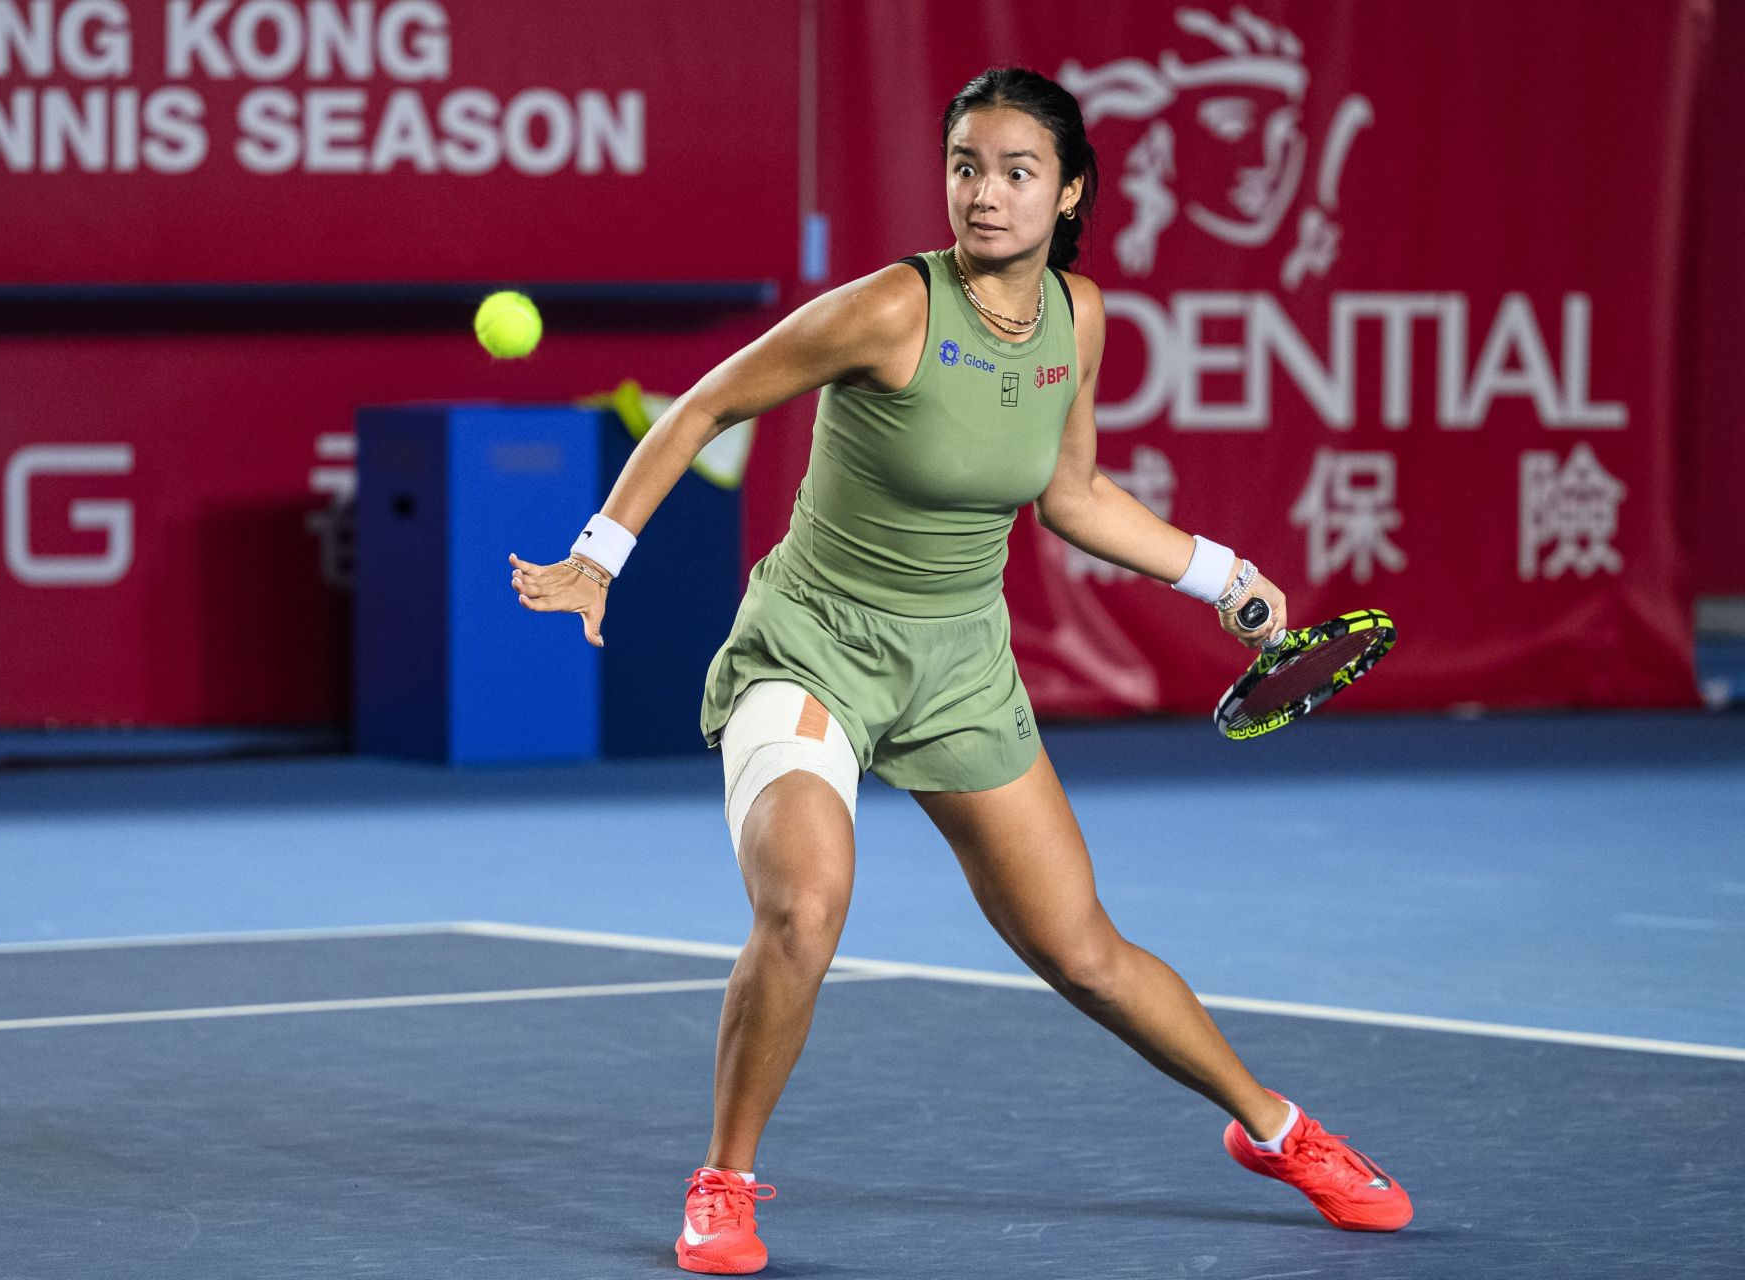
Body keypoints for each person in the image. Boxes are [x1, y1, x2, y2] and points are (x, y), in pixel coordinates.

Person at [509, 66, 1411, 1277]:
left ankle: (1281, 1132)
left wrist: (1220, 575)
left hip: (961, 665)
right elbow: (706, 404)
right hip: (814, 644)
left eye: (1017, 172)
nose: (985, 195)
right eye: (966, 168)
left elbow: (1073, 493)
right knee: (805, 904)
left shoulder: (1077, 319)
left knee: (1082, 947)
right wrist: (597, 557)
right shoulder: (889, 307)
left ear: (1070, 191)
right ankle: (724, 1178)